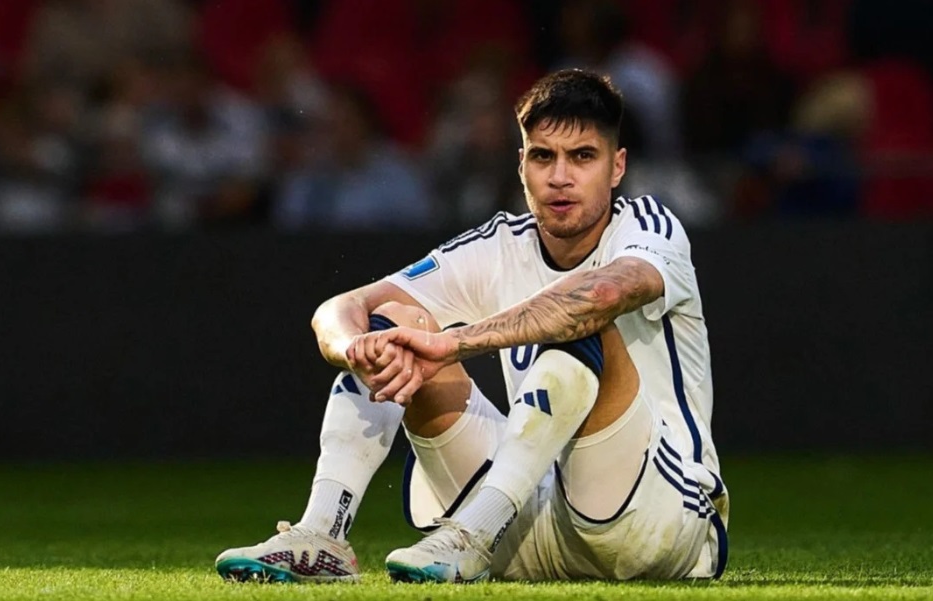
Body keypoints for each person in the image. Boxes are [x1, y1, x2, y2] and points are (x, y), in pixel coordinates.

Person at [215, 68, 728, 583]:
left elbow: (601, 296)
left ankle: (474, 531)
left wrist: (453, 343)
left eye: (582, 157)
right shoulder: (500, 243)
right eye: (543, 156)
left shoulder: (648, 227)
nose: (560, 177)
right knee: (390, 326)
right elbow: (339, 308)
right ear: (522, 164)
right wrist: (357, 349)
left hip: (656, 521)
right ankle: (322, 534)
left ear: (617, 167)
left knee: (582, 321)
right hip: (527, 525)